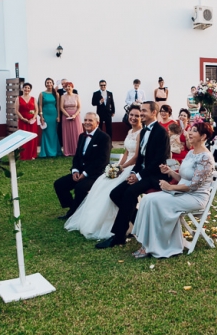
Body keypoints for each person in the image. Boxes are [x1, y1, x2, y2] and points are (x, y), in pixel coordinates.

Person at [131, 122, 216, 259]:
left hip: (195, 197)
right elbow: (183, 178)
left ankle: (154, 245)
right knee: (147, 199)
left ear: (203, 136)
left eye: (194, 131)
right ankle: (147, 243)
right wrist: (170, 172)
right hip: (182, 192)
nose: (189, 133)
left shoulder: (206, 157)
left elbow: (193, 186)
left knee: (155, 202)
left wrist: (170, 187)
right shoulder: (191, 152)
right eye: (190, 130)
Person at [96, 102, 170, 249]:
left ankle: (118, 236)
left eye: (144, 111)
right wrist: (133, 173)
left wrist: (139, 176)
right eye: (141, 110)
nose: (141, 113)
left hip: (155, 175)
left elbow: (158, 161)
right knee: (115, 193)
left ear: (153, 113)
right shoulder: (143, 132)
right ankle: (140, 221)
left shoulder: (161, 132)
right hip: (142, 173)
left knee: (129, 193)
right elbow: (140, 159)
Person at [65, 106, 142, 240]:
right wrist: (117, 166)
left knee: (111, 190)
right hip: (124, 165)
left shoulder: (141, 132)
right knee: (101, 183)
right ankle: (93, 219)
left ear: (142, 117)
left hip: (133, 167)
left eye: (137, 115)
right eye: (131, 115)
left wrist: (122, 167)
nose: (133, 118)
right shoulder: (130, 131)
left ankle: (121, 222)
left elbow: (136, 156)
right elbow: (126, 153)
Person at [54, 112, 111, 219]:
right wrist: (75, 170)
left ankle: (73, 213)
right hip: (80, 172)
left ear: (97, 123)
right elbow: (77, 157)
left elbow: (103, 160)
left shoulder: (104, 137)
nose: (87, 122)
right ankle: (73, 208)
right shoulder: (82, 136)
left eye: (90, 120)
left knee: (80, 188)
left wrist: (85, 173)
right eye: (85, 120)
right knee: (59, 184)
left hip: (95, 174)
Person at [15, 82, 39, 160]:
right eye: (25, 87)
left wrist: (33, 118)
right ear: (22, 89)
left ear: (30, 90)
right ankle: (23, 155)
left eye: (28, 88)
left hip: (32, 121)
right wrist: (22, 118)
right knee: (23, 137)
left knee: (32, 137)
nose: (27, 89)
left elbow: (36, 110)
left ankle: (32, 154)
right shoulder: (18, 98)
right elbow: (16, 110)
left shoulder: (33, 99)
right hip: (23, 121)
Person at [38, 78, 62, 158]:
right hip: (45, 114)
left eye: (50, 82)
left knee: (53, 133)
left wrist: (58, 116)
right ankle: (45, 152)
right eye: (47, 82)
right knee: (46, 132)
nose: (49, 84)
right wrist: (41, 116)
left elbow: (58, 106)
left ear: (52, 84)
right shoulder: (42, 94)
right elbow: (40, 105)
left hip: (53, 115)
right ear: (45, 84)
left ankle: (54, 151)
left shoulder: (56, 94)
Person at [60, 82, 82, 156]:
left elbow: (79, 107)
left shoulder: (76, 96)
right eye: (66, 87)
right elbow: (61, 107)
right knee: (67, 133)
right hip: (66, 116)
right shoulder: (63, 96)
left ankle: (77, 150)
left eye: (69, 86)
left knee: (77, 133)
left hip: (76, 116)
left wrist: (74, 115)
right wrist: (68, 115)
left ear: (72, 87)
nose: (68, 88)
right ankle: (68, 151)